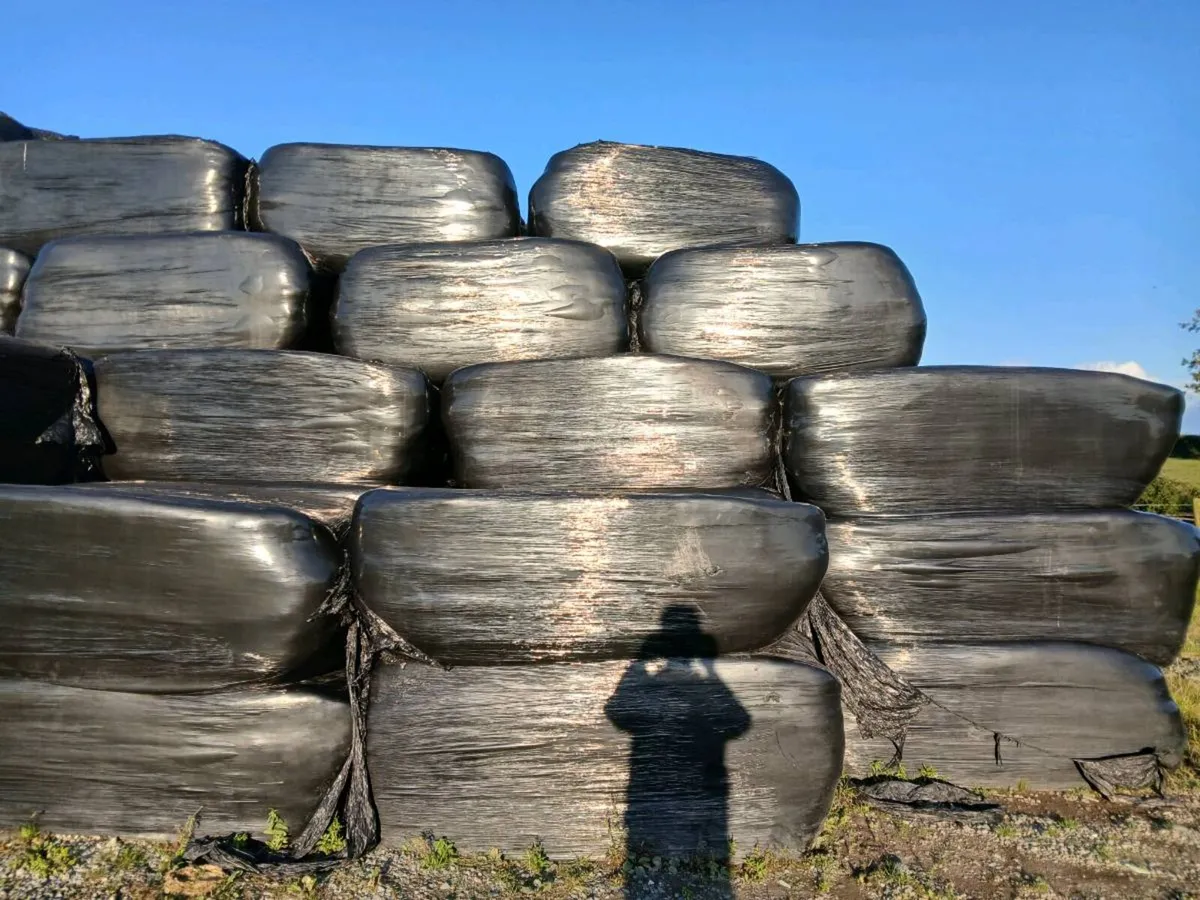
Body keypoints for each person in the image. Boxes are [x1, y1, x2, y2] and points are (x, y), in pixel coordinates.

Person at [604, 605, 751, 898]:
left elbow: (616, 712)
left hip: (658, 781)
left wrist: (635, 670)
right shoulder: (706, 687)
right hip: (696, 782)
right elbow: (739, 722)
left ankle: (665, 856)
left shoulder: (655, 686)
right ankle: (680, 857)